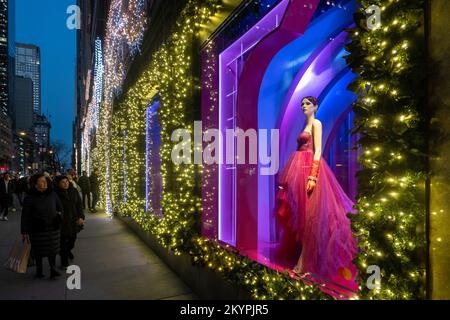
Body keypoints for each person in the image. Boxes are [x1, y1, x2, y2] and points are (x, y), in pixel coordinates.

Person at [275, 96, 358, 289]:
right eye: (302, 104)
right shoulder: (306, 125)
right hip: (298, 168)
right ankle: (303, 259)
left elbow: (318, 149)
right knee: (303, 215)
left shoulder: (317, 123)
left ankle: (304, 263)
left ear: (315, 107)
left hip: (309, 169)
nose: (304, 106)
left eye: (308, 104)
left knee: (311, 216)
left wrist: (313, 174)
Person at [21, 174, 63, 279]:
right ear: (35, 183)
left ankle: (53, 269)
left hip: (52, 227)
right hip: (37, 228)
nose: (44, 183)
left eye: (45, 181)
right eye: (41, 181)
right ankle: (39, 271)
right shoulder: (29, 197)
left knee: (52, 250)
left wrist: (59, 218)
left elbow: (60, 208)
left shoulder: (52, 194)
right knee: (38, 250)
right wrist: (24, 231)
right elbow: (25, 215)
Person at [55, 176, 84, 268]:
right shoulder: (55, 193)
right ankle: (64, 262)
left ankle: (67, 251)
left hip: (73, 220)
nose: (65, 183)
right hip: (62, 222)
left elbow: (79, 204)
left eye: (66, 181)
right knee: (62, 241)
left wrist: (81, 217)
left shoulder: (73, 191)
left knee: (72, 240)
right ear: (58, 184)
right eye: (63, 182)